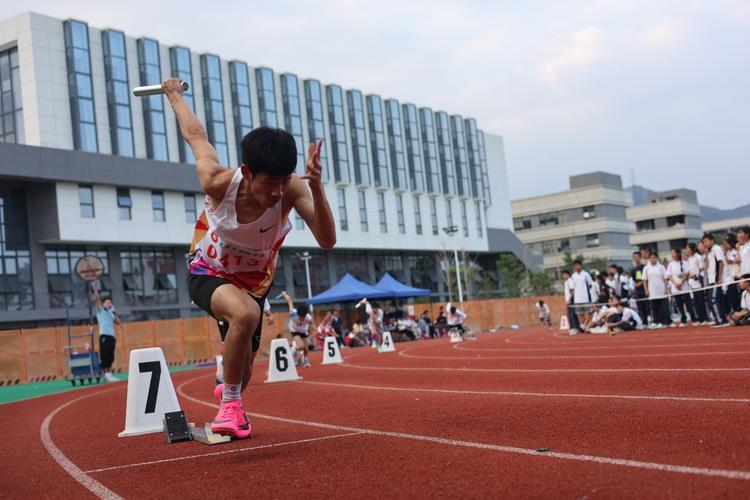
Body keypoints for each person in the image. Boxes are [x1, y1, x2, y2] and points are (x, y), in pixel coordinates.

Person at [164, 77, 336, 440]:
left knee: (243, 375)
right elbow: (196, 136)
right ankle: (230, 408)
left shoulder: (291, 190)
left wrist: (317, 189)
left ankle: (231, 391)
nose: (276, 193)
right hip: (206, 269)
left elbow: (327, 240)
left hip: (254, 283)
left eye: (283, 182)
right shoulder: (216, 181)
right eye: (268, 183)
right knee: (245, 314)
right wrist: (173, 94)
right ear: (246, 173)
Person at [92, 281, 121, 383]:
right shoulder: (101, 311)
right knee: (105, 354)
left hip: (111, 336)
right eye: (107, 302)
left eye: (110, 302)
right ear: (103, 304)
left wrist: (114, 311)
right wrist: (95, 290)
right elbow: (97, 300)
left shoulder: (111, 313)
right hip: (104, 335)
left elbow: (118, 322)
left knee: (111, 355)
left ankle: (109, 373)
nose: (108, 304)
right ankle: (106, 374)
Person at [282, 291, 314, 367]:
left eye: (303, 318)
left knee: (306, 348)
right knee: (301, 346)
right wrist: (284, 294)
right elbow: (289, 300)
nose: (301, 319)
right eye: (300, 317)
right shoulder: (292, 313)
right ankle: (292, 351)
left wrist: (311, 335)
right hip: (294, 330)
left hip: (303, 331)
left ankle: (304, 360)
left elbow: (312, 326)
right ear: (297, 314)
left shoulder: (308, 318)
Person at [702, 232, 727, 326]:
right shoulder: (710, 251)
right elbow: (708, 266)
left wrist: (719, 278)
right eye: (703, 242)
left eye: (706, 241)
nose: (704, 243)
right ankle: (718, 318)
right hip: (711, 280)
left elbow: (720, 263)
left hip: (717, 279)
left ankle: (721, 319)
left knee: (713, 300)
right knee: (711, 300)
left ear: (712, 240)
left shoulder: (717, 249)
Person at [643, 251, 670, 328]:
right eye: (651, 258)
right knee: (654, 307)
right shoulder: (646, 268)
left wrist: (666, 288)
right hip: (652, 291)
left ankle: (663, 321)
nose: (652, 259)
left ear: (657, 258)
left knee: (662, 307)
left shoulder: (661, 267)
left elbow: (665, 279)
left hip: (661, 290)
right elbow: (644, 280)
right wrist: (646, 290)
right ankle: (655, 321)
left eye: (654, 257)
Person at [685, 243, 709, 325]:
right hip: (692, 283)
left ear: (692, 249)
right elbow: (689, 270)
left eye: (688, 248)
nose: (687, 250)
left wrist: (695, 274)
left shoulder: (698, 257)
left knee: (701, 301)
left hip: (698, 282)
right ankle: (700, 318)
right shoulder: (689, 259)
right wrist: (686, 274)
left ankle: (705, 318)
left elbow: (702, 267)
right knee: (696, 302)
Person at [666, 247, 691, 326]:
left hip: (684, 287)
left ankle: (693, 317)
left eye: (674, 253)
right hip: (675, 289)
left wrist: (681, 283)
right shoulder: (670, 264)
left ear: (678, 254)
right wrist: (676, 284)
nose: (672, 255)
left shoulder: (685, 263)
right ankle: (683, 319)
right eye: (672, 253)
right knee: (679, 305)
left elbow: (687, 274)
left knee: (688, 303)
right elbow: (669, 276)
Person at [570, 260, 594, 331]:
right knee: (580, 314)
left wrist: (584, 292)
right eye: (575, 265)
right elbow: (572, 287)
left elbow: (590, 285)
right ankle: (583, 327)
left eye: (578, 265)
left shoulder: (586, 274)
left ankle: (589, 326)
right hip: (577, 299)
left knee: (589, 313)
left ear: (581, 265)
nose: (576, 267)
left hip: (585, 298)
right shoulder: (573, 276)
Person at [724, 233, 742, 315]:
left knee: (737, 296)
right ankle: (735, 312)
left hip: (737, 276)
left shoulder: (735, 251)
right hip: (730, 278)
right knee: (730, 297)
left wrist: (729, 260)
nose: (726, 245)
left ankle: (740, 311)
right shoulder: (727, 252)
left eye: (727, 243)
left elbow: (736, 260)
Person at [630, 251, 650, 326]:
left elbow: (646, 278)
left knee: (647, 306)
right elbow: (634, 280)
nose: (636, 259)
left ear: (640, 257)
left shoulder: (644, 267)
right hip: (638, 292)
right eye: (634, 257)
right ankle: (644, 322)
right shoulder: (633, 270)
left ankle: (651, 320)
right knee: (640, 307)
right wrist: (635, 285)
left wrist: (641, 283)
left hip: (645, 290)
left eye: (637, 257)